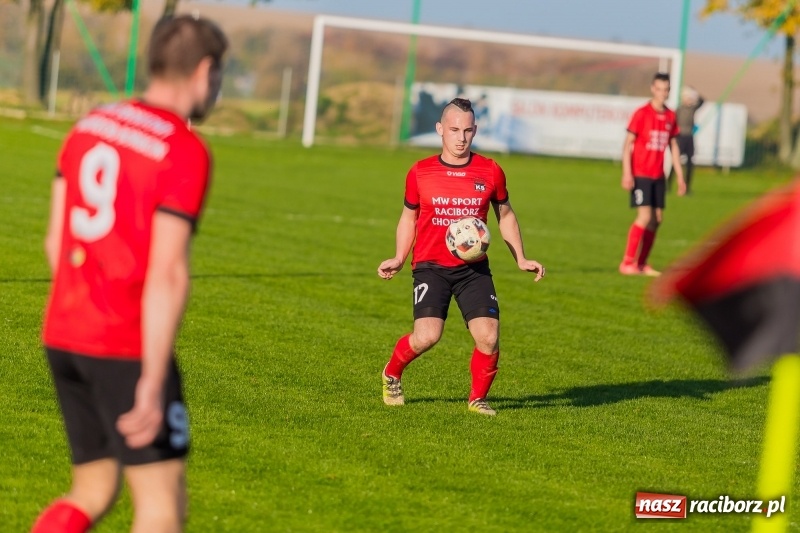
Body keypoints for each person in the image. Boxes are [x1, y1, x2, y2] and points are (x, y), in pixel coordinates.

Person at [33, 15, 227, 533]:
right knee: (161, 506)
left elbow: (56, 241)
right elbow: (167, 273)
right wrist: (152, 377)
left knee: (92, 489)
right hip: (123, 345)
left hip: (65, 331)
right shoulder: (183, 149)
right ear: (205, 71)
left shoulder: (88, 125)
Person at [377, 97, 545, 416]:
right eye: (454, 129)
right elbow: (408, 217)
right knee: (427, 336)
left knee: (489, 336)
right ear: (440, 129)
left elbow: (505, 215)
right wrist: (399, 258)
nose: (461, 137)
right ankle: (392, 373)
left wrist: (521, 258)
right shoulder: (420, 172)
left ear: (475, 130)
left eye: (468, 130)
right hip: (430, 267)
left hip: (473, 269)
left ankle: (478, 399)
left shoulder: (491, 170)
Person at [619, 72, 686, 277]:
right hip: (640, 173)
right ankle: (627, 263)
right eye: (659, 89)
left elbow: (673, 147)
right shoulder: (641, 114)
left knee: (657, 218)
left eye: (666, 90)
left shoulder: (670, 116)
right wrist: (626, 173)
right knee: (645, 216)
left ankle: (642, 263)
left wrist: (681, 177)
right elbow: (627, 144)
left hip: (658, 175)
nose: (663, 93)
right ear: (652, 89)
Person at [669, 86, 704, 195]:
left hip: (689, 138)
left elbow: (702, 101)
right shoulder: (678, 109)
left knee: (689, 163)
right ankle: (668, 186)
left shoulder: (692, 108)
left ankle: (687, 187)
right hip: (680, 138)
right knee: (675, 163)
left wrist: (695, 93)